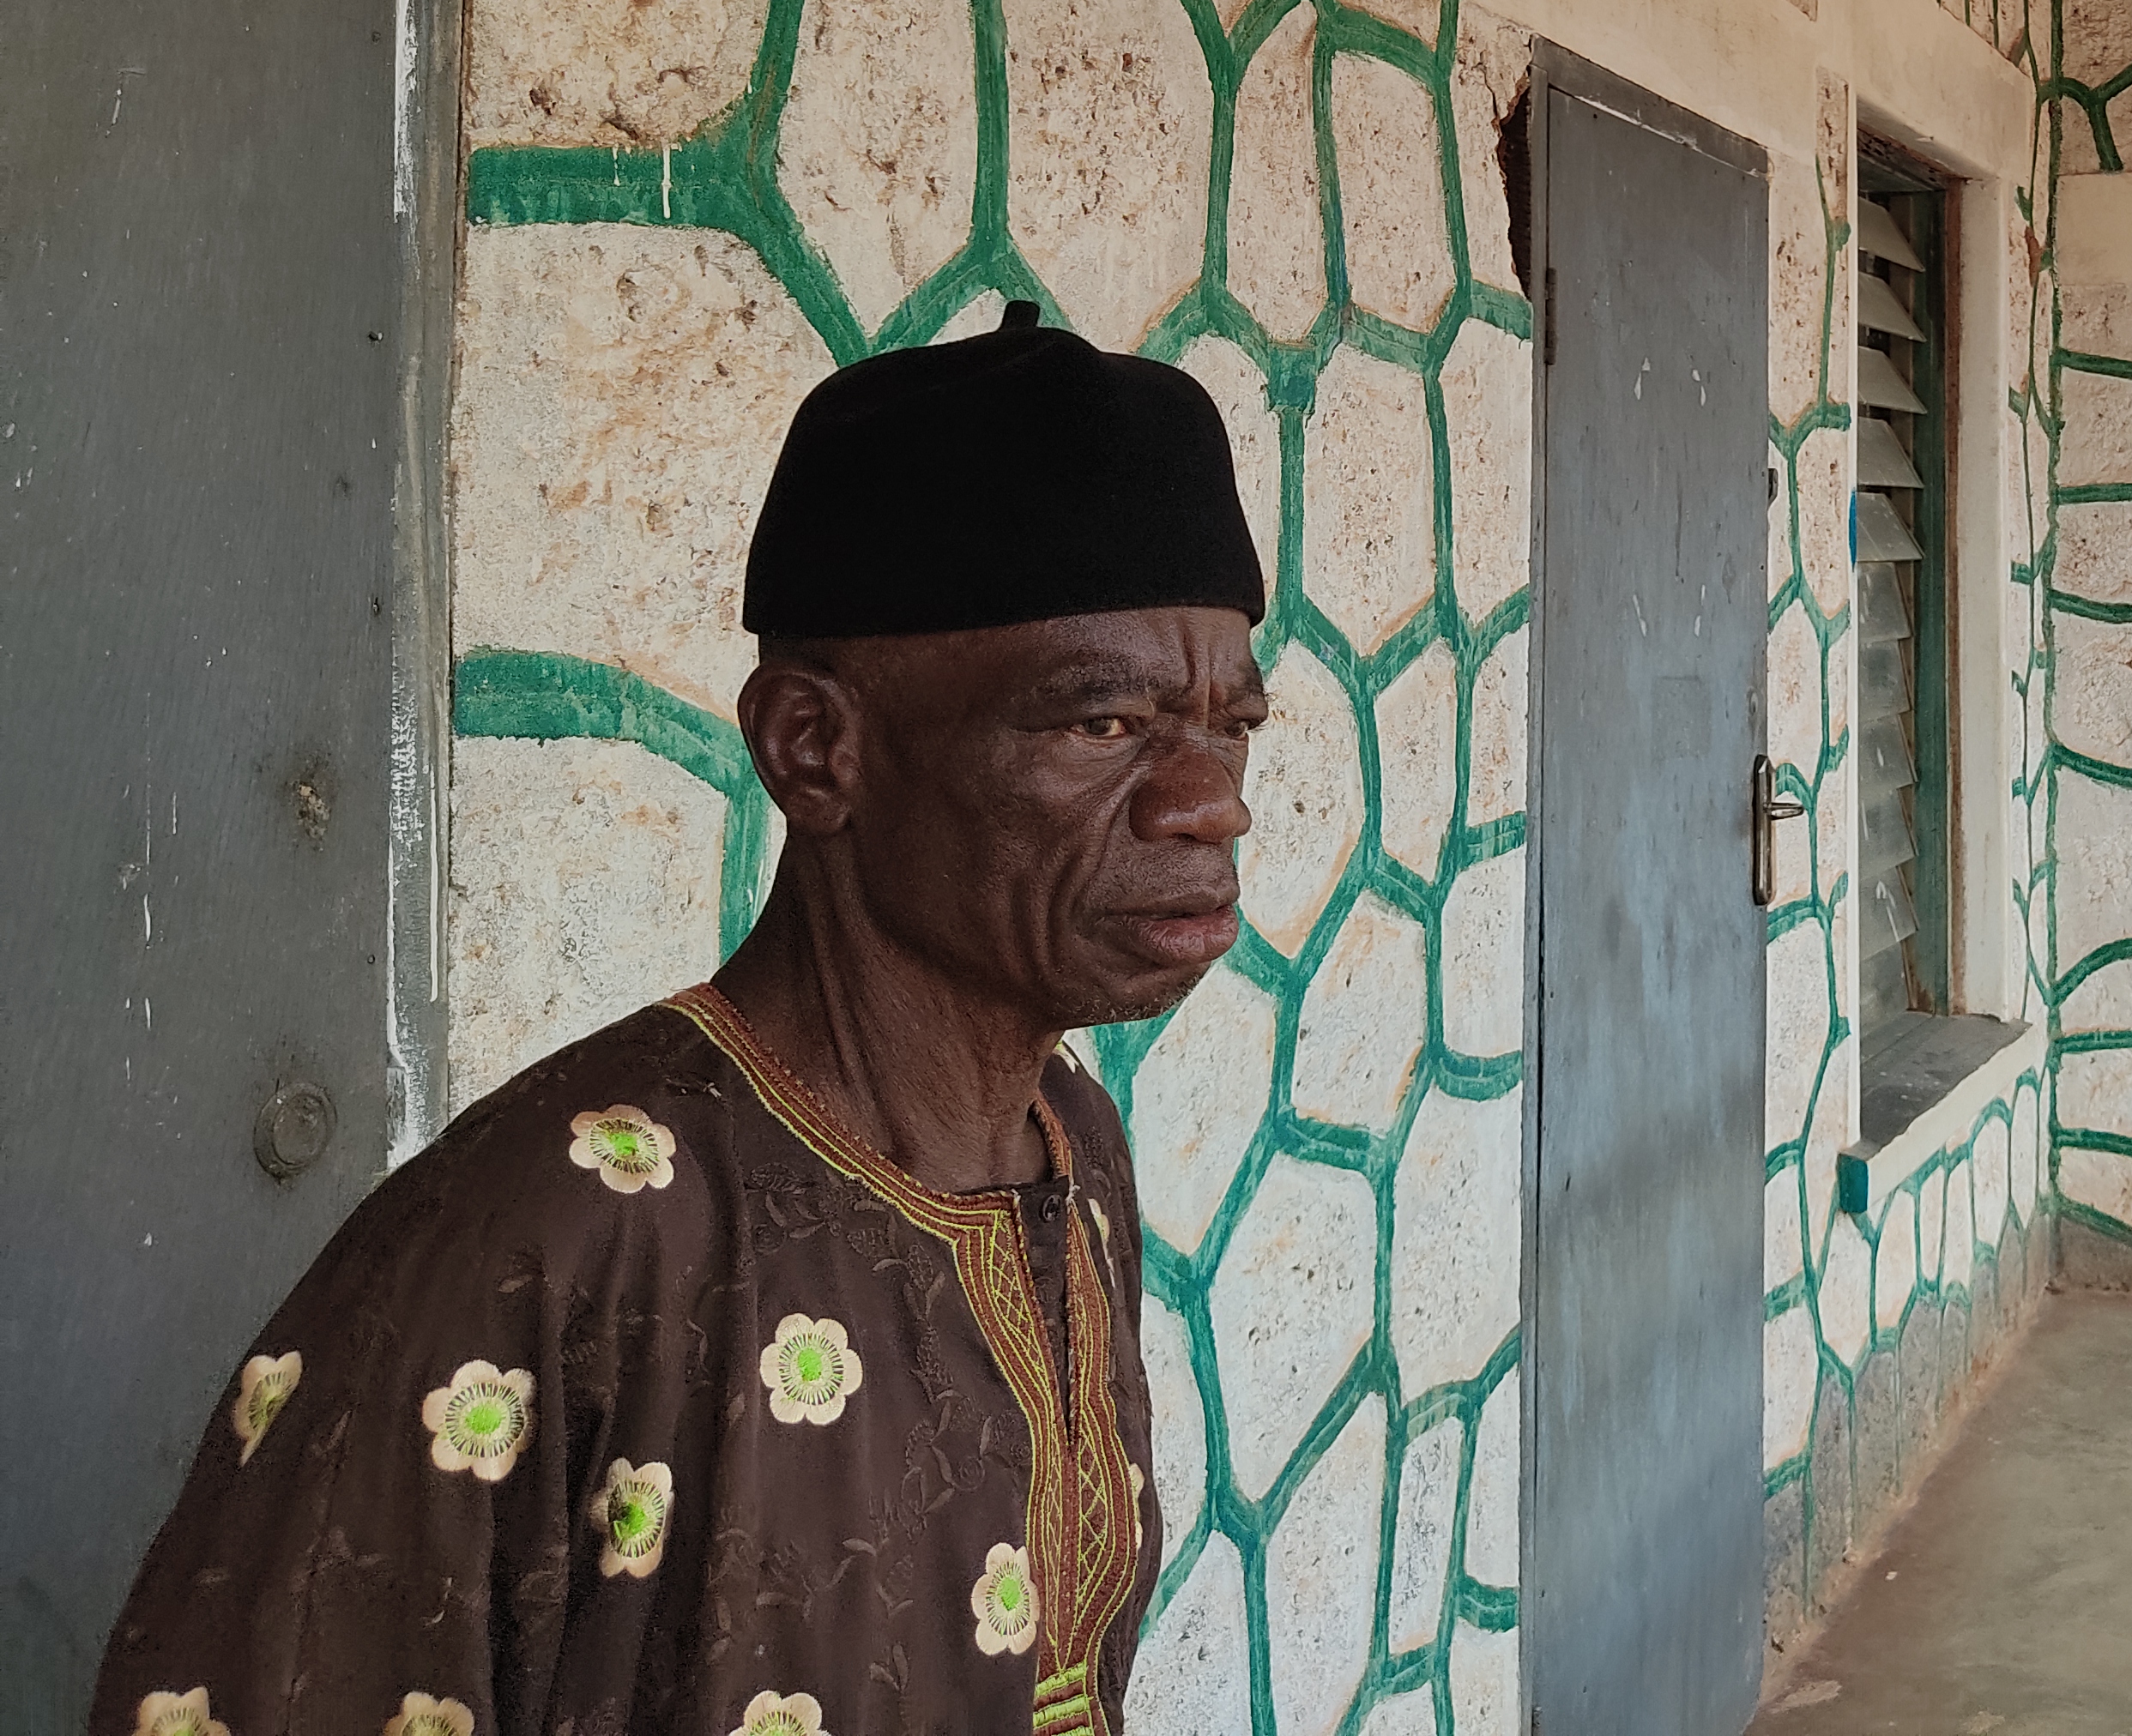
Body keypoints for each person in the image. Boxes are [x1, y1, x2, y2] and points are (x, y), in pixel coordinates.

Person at [92, 303, 1268, 1736]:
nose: (1211, 804)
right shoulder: (556, 1230)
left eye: (1230, 726)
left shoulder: (1072, 1148)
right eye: (1102, 724)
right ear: (814, 747)